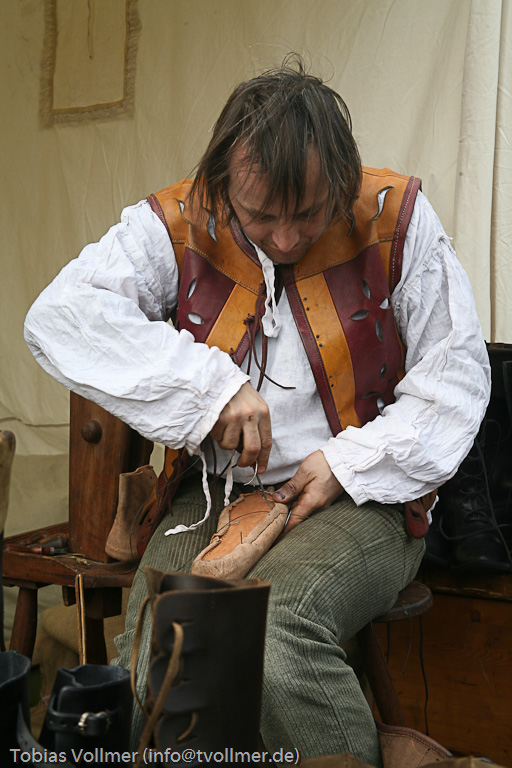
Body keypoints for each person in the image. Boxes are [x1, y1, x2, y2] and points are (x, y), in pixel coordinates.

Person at [24, 57, 490, 765]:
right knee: (161, 646)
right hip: (215, 495)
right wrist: (208, 389)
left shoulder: (393, 217)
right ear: (223, 184)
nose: (285, 238)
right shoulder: (181, 222)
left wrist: (346, 463)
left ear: (342, 177)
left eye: (308, 213)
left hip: (367, 496)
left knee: (279, 628)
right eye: (261, 216)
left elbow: (455, 379)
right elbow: (62, 315)